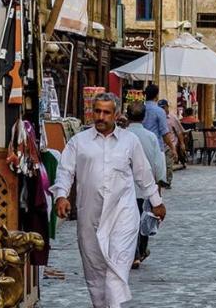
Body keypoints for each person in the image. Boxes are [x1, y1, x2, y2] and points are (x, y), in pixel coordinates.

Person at [51, 93, 166, 308]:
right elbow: (65, 171)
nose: (101, 117)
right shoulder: (79, 142)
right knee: (94, 269)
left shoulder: (129, 141)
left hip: (122, 214)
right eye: (97, 111)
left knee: (117, 266)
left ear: (116, 115)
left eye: (106, 112)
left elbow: (143, 173)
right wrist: (61, 196)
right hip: (90, 215)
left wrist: (156, 201)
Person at [121, 102, 167, 269]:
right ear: (144, 117)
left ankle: (133, 254)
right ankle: (140, 251)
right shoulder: (151, 137)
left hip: (125, 188)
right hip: (145, 188)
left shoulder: (122, 136)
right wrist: (158, 188)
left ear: (127, 115)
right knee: (144, 219)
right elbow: (158, 164)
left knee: (128, 223)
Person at [142, 85, 174, 153]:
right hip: (156, 147)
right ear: (156, 96)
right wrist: (172, 148)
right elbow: (165, 133)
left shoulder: (141, 109)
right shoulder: (160, 111)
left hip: (141, 146)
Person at [160, 99, 186, 171]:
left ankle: (167, 181)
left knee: (168, 167)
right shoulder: (158, 117)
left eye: (163, 107)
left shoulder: (173, 118)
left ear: (167, 107)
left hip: (170, 146)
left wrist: (182, 143)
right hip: (160, 145)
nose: (161, 109)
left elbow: (179, 132)